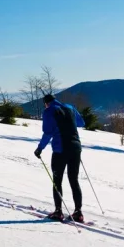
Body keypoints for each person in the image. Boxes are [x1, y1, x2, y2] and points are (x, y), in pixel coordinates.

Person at [34, 94, 86, 222]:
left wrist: (40, 148)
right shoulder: (70, 107)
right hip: (76, 148)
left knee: (57, 180)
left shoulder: (48, 111)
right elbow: (81, 122)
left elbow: (48, 133)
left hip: (60, 149)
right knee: (74, 180)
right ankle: (78, 213)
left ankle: (58, 212)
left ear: (46, 103)